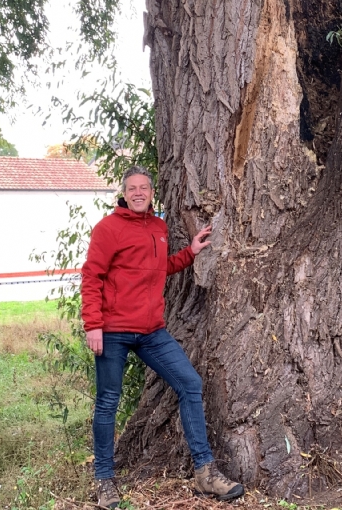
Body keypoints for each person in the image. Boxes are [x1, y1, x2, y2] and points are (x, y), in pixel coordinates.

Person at [81, 165, 245, 509]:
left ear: (152, 192)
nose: (139, 192)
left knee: (190, 383)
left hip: (151, 331)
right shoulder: (108, 229)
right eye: (132, 188)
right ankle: (104, 479)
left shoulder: (158, 227)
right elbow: (92, 275)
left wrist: (191, 253)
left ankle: (205, 473)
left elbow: (159, 269)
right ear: (124, 194)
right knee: (108, 401)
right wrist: (93, 324)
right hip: (112, 331)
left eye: (144, 187)